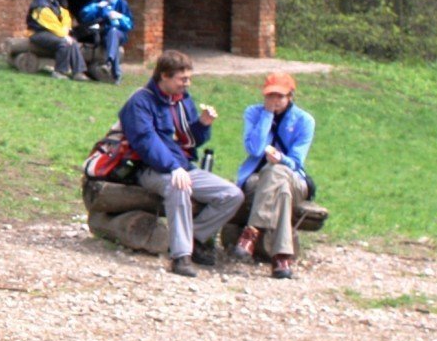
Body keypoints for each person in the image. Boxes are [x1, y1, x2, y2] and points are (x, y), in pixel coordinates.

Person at [119, 50, 242, 277]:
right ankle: (181, 257)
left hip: (181, 166)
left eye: (189, 78)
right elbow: (146, 143)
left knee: (232, 194)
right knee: (179, 187)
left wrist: (203, 125)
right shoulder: (140, 102)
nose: (187, 84)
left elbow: (189, 140)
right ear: (164, 76)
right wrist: (172, 167)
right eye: (182, 79)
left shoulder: (183, 100)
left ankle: (194, 237)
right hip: (150, 168)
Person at [234, 72, 315, 279]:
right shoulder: (253, 113)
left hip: (293, 178)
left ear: (291, 97)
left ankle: (252, 231)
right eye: (270, 96)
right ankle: (281, 257)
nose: (274, 101)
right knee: (282, 193)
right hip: (256, 179)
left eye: (280, 96)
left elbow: (296, 162)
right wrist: (267, 116)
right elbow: (254, 148)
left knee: (277, 172)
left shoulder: (305, 121)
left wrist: (280, 159)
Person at [28, 0, 88, 79]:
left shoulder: (55, 2)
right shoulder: (40, 5)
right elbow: (51, 24)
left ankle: (78, 72)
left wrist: (66, 28)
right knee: (64, 43)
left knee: (72, 42)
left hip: (54, 33)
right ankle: (59, 72)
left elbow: (66, 16)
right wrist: (64, 35)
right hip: (38, 33)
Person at [77, 0, 133, 82]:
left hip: (119, 33)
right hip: (101, 34)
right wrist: (96, 6)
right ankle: (116, 74)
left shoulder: (122, 3)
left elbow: (129, 25)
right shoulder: (98, 0)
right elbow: (84, 15)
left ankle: (108, 63)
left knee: (114, 32)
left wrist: (119, 16)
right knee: (113, 41)